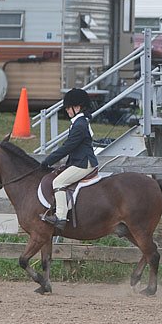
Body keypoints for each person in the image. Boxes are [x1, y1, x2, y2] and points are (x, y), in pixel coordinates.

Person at [39, 88, 99, 229]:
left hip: (84, 164)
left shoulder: (79, 125)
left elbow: (67, 147)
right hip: (79, 161)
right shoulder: (80, 122)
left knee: (58, 182)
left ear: (77, 107)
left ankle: (60, 217)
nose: (66, 110)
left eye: (68, 108)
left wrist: (47, 161)